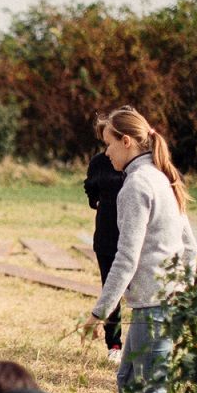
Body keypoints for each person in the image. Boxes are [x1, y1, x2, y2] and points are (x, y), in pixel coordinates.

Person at [82, 106, 197, 393]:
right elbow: (190, 247)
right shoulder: (162, 178)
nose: (106, 154)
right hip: (165, 300)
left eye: (109, 145)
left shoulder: (136, 186)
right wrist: (183, 287)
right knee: (129, 380)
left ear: (127, 141)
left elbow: (126, 257)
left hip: (155, 305)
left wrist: (99, 312)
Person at [84, 113, 126, 365]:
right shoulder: (99, 162)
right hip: (107, 234)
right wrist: (95, 201)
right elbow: (90, 187)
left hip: (134, 236)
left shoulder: (141, 166)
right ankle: (114, 343)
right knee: (111, 290)